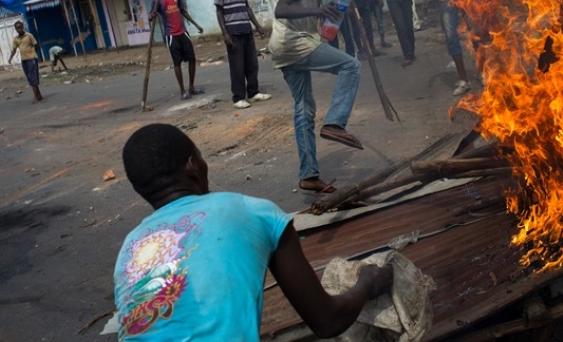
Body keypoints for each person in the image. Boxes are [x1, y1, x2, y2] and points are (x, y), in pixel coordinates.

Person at [114, 123, 392, 340]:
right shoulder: (250, 210)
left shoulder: (129, 249)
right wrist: (367, 283)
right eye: (200, 156)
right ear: (192, 166)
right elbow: (328, 321)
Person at [268, 0, 363, 194]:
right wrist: (319, 11)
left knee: (303, 110)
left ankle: (309, 175)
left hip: (285, 46)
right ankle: (335, 123)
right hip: (294, 43)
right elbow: (282, 9)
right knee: (350, 65)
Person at [213, 0, 272, 109]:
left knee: (252, 62)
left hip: (246, 28)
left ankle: (253, 93)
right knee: (237, 66)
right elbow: (219, 11)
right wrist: (225, 33)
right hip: (232, 32)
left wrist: (258, 26)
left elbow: (247, 7)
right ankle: (238, 97)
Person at [149, 0, 205, 101]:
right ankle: (183, 91)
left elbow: (182, 11)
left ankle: (191, 87)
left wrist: (196, 25)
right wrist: (151, 15)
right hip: (171, 35)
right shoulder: (156, 0)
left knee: (192, 59)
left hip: (183, 32)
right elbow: (151, 15)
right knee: (177, 63)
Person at [8, 20, 43, 103]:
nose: (19, 29)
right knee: (30, 78)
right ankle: (39, 95)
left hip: (32, 59)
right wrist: (10, 58)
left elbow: (36, 45)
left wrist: (33, 53)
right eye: (17, 28)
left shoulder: (29, 35)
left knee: (33, 76)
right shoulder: (16, 39)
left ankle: (35, 97)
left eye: (20, 27)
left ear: (23, 27)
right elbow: (14, 49)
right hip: (24, 60)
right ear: (15, 29)